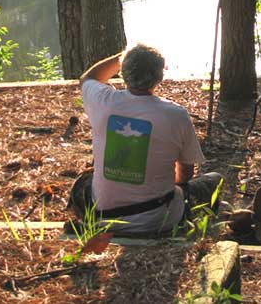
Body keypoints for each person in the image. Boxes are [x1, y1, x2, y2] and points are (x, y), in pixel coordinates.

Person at [69, 43, 222, 236]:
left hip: (103, 217)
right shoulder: (176, 115)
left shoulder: (103, 102)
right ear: (159, 77)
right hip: (159, 219)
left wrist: (124, 57)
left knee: (84, 182)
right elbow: (185, 175)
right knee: (214, 180)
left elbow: (88, 78)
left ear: (123, 72)